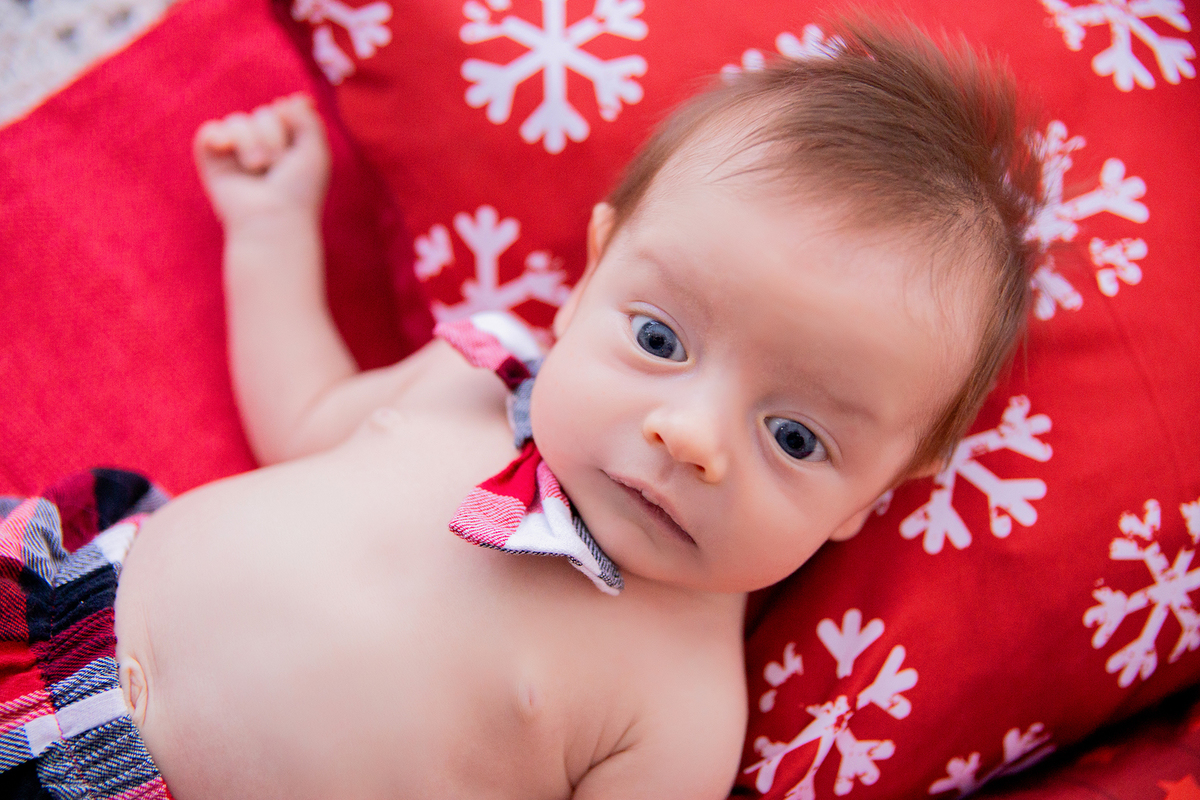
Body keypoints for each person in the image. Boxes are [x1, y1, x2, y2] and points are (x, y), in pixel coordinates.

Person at [0, 16, 1042, 800]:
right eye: (660, 339)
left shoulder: (677, 708)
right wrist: (270, 232)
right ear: (588, 282)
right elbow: (307, 416)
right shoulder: (474, 369)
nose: (692, 436)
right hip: (52, 619)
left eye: (797, 437)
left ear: (870, 497)